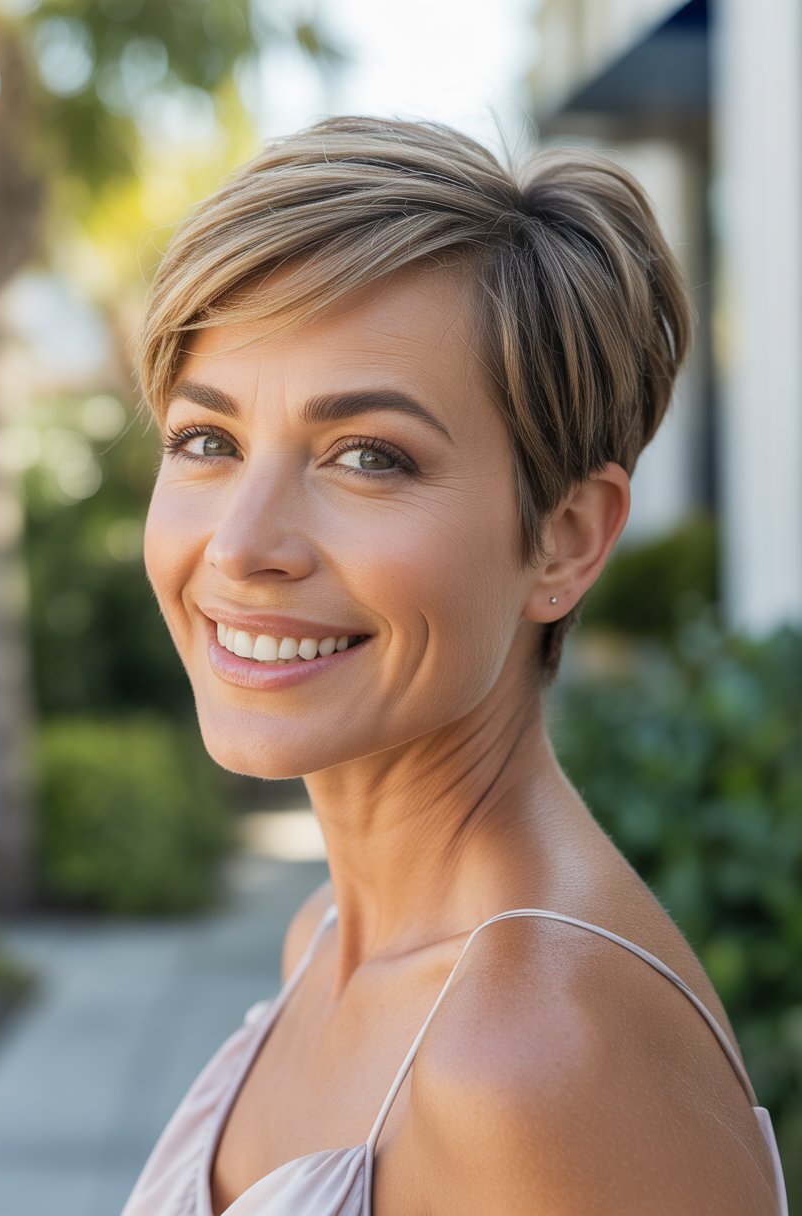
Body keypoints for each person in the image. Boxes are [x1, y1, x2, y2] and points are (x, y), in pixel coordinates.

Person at [121, 116, 787, 1215]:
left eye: (368, 456)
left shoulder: (535, 1057)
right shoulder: (327, 939)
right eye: (209, 440)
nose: (240, 545)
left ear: (565, 537)